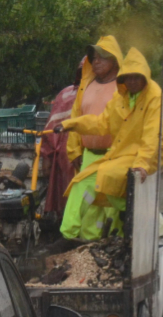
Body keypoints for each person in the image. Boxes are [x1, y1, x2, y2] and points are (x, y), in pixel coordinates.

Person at [59, 47, 163, 238]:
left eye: (137, 77)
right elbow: (101, 123)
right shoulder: (120, 97)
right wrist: (71, 124)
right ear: (123, 78)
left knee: (110, 182)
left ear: (145, 76)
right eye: (129, 77)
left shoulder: (156, 99)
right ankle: (68, 236)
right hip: (117, 157)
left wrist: (142, 165)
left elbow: (153, 138)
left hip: (139, 159)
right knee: (81, 183)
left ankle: (157, 228)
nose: (132, 81)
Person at [55, 36, 124, 247]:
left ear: (113, 60)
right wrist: (74, 151)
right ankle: (73, 242)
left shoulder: (123, 86)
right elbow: (77, 118)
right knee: (82, 198)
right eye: (93, 57)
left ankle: (110, 244)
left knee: (111, 204)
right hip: (89, 156)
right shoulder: (87, 85)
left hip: (114, 156)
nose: (96, 61)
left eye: (102, 57)